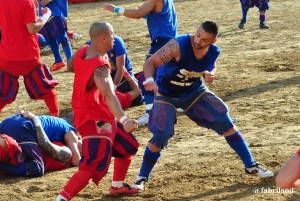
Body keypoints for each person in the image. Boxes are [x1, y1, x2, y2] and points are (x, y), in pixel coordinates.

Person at [130, 20, 274, 191]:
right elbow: (150, 63)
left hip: (194, 92)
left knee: (225, 121)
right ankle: (141, 177)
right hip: (166, 93)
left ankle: (251, 166)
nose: (198, 41)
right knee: (161, 135)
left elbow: (212, 65)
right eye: (198, 35)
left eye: (205, 40)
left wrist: (211, 74)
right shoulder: (177, 45)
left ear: (213, 41)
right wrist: (149, 80)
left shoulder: (214, 51)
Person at [56, 21, 140, 201]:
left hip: (100, 114)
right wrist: (124, 121)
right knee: (91, 166)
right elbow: (109, 94)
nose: (114, 38)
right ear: (103, 38)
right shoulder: (101, 66)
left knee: (127, 147)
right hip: (94, 119)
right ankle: (61, 199)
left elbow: (71, 65)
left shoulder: (82, 51)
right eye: (112, 34)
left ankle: (117, 187)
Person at [103, 0, 177, 125]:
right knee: (165, 76)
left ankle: (150, 113)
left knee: (146, 79)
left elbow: (138, 13)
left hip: (161, 42)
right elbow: (149, 15)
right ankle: (176, 103)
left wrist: (115, 9)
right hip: (171, 41)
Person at [0, 0, 60, 117]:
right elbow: (32, 29)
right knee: (47, 89)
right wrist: (46, 16)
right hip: (28, 55)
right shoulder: (27, 2)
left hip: (7, 55)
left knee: (1, 93)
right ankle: (56, 120)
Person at [0, 111, 74, 177]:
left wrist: (35, 120)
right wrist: (35, 121)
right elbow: (44, 143)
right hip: (22, 130)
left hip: (11, 124)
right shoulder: (69, 132)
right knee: (37, 168)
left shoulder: (66, 152)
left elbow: (45, 144)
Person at [87, 36, 144, 106]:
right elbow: (138, 91)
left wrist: (112, 88)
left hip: (115, 75)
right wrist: (126, 75)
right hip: (113, 77)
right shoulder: (120, 98)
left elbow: (121, 68)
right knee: (137, 100)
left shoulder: (116, 42)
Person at [39, 0, 73, 71]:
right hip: (45, 16)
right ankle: (58, 61)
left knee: (62, 38)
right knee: (50, 40)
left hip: (55, 14)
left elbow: (44, 2)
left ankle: (71, 64)